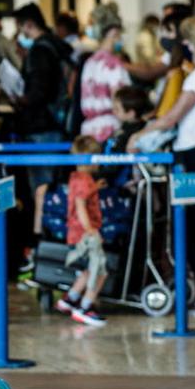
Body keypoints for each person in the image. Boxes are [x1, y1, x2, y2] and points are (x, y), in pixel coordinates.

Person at [135, 14, 195, 317]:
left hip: (192, 156)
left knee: (190, 222)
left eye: (188, 41)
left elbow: (171, 117)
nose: (186, 46)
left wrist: (139, 135)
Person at [54, 134, 108, 327]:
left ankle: (69, 300)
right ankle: (85, 307)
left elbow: (80, 196)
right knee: (99, 271)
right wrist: (91, 230)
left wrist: (95, 187)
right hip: (85, 233)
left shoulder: (77, 178)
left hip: (74, 233)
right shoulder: (85, 181)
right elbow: (80, 205)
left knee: (85, 271)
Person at [10, 2, 73, 140]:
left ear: (29, 24)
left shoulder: (39, 51)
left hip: (42, 123)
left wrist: (21, 100)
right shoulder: (56, 45)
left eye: (19, 26)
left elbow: (39, 89)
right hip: (58, 118)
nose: (19, 32)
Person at [78, 2, 131, 143]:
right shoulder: (113, 65)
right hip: (109, 131)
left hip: (88, 131)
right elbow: (119, 101)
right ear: (114, 33)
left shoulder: (90, 62)